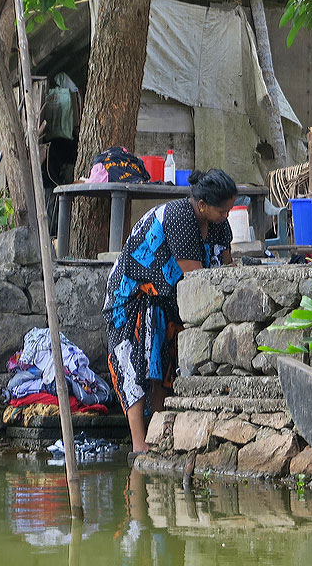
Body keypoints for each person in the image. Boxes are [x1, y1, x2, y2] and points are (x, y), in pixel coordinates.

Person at [104, 169, 238, 458]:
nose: (227, 215)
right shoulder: (180, 218)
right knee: (137, 364)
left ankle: (160, 433)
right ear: (202, 205)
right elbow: (195, 278)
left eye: (229, 209)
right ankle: (139, 442)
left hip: (166, 298)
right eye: (222, 210)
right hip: (133, 294)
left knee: (165, 367)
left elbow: (226, 268)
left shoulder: (219, 225)